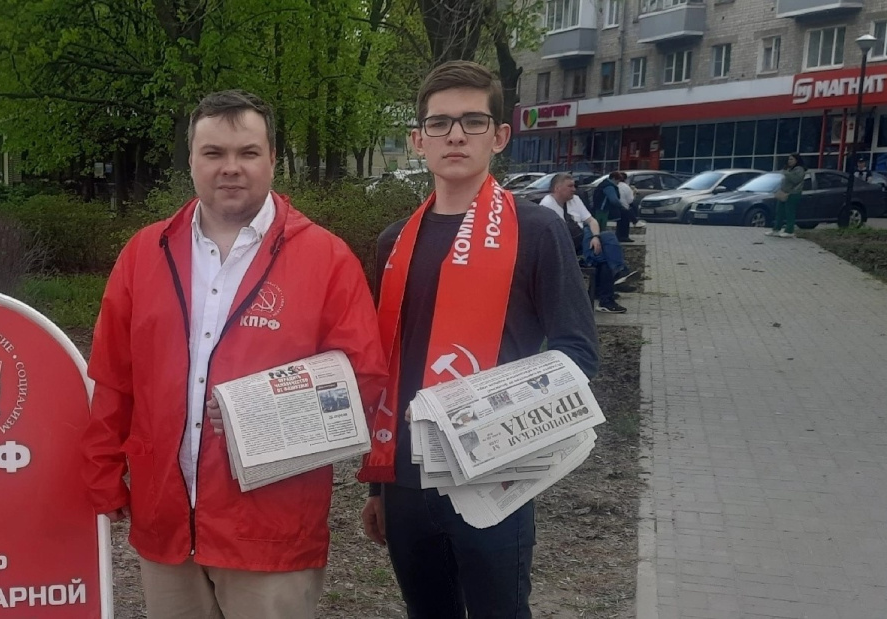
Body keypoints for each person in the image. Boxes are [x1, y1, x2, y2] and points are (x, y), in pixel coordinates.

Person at [82, 89, 387, 619]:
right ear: (192, 161)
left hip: (270, 533)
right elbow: (114, 377)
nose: (231, 168)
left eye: (247, 153)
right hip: (166, 526)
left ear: (272, 160)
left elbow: (362, 380)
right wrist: (102, 474)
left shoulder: (326, 259)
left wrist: (263, 415)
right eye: (214, 153)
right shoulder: (143, 255)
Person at [356, 61, 599, 619]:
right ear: (418, 140)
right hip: (408, 482)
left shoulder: (536, 229)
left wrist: (516, 428)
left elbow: (577, 351)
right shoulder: (394, 243)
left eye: (472, 120)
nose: (456, 135)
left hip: (495, 477)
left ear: (500, 135)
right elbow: (388, 364)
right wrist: (377, 486)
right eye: (439, 124)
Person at [542, 174, 636, 314]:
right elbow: (556, 234)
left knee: (606, 241)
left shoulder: (576, 200)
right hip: (564, 245)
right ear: (557, 188)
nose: (574, 189)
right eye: (570, 186)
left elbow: (592, 221)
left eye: (574, 186)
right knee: (588, 235)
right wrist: (590, 235)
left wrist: (596, 237)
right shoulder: (547, 205)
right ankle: (615, 280)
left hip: (584, 243)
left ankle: (611, 285)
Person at [767, 153, 805, 239]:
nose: (789, 161)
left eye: (791, 159)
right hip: (783, 193)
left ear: (797, 160)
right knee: (779, 212)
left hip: (793, 193)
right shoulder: (789, 169)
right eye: (789, 159)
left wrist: (787, 173)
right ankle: (776, 229)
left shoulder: (799, 169)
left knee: (789, 212)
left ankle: (789, 231)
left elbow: (796, 180)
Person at [615, 172, 640, 242]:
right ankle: (624, 236)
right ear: (625, 179)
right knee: (626, 219)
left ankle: (618, 235)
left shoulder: (615, 185)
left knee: (620, 221)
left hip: (615, 208)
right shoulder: (626, 187)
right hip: (623, 208)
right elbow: (630, 200)